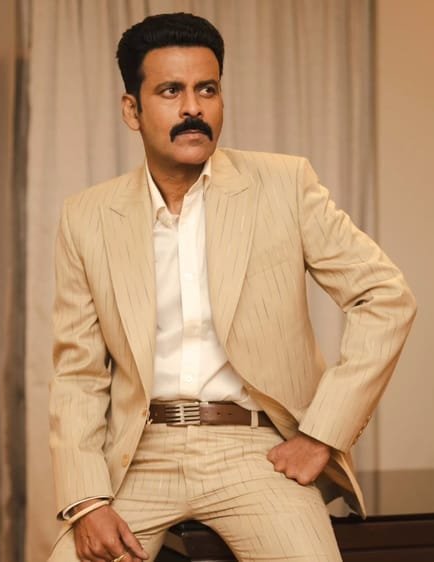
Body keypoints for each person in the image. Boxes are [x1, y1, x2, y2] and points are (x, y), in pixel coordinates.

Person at [48, 12, 416, 562]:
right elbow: (78, 372)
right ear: (132, 110)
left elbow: (384, 296)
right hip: (137, 455)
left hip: (255, 450)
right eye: (170, 91)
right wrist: (87, 501)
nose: (192, 108)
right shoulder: (87, 217)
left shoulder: (285, 185)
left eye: (207, 89)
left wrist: (322, 433)